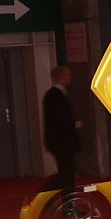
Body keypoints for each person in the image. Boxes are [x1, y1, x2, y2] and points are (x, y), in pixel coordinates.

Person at [43, 65, 81, 198]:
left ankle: (65, 203)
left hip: (62, 141)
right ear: (62, 77)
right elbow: (59, 120)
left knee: (66, 173)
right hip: (61, 142)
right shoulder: (54, 95)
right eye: (68, 75)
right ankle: (66, 204)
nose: (70, 78)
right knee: (66, 175)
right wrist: (74, 125)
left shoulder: (57, 94)